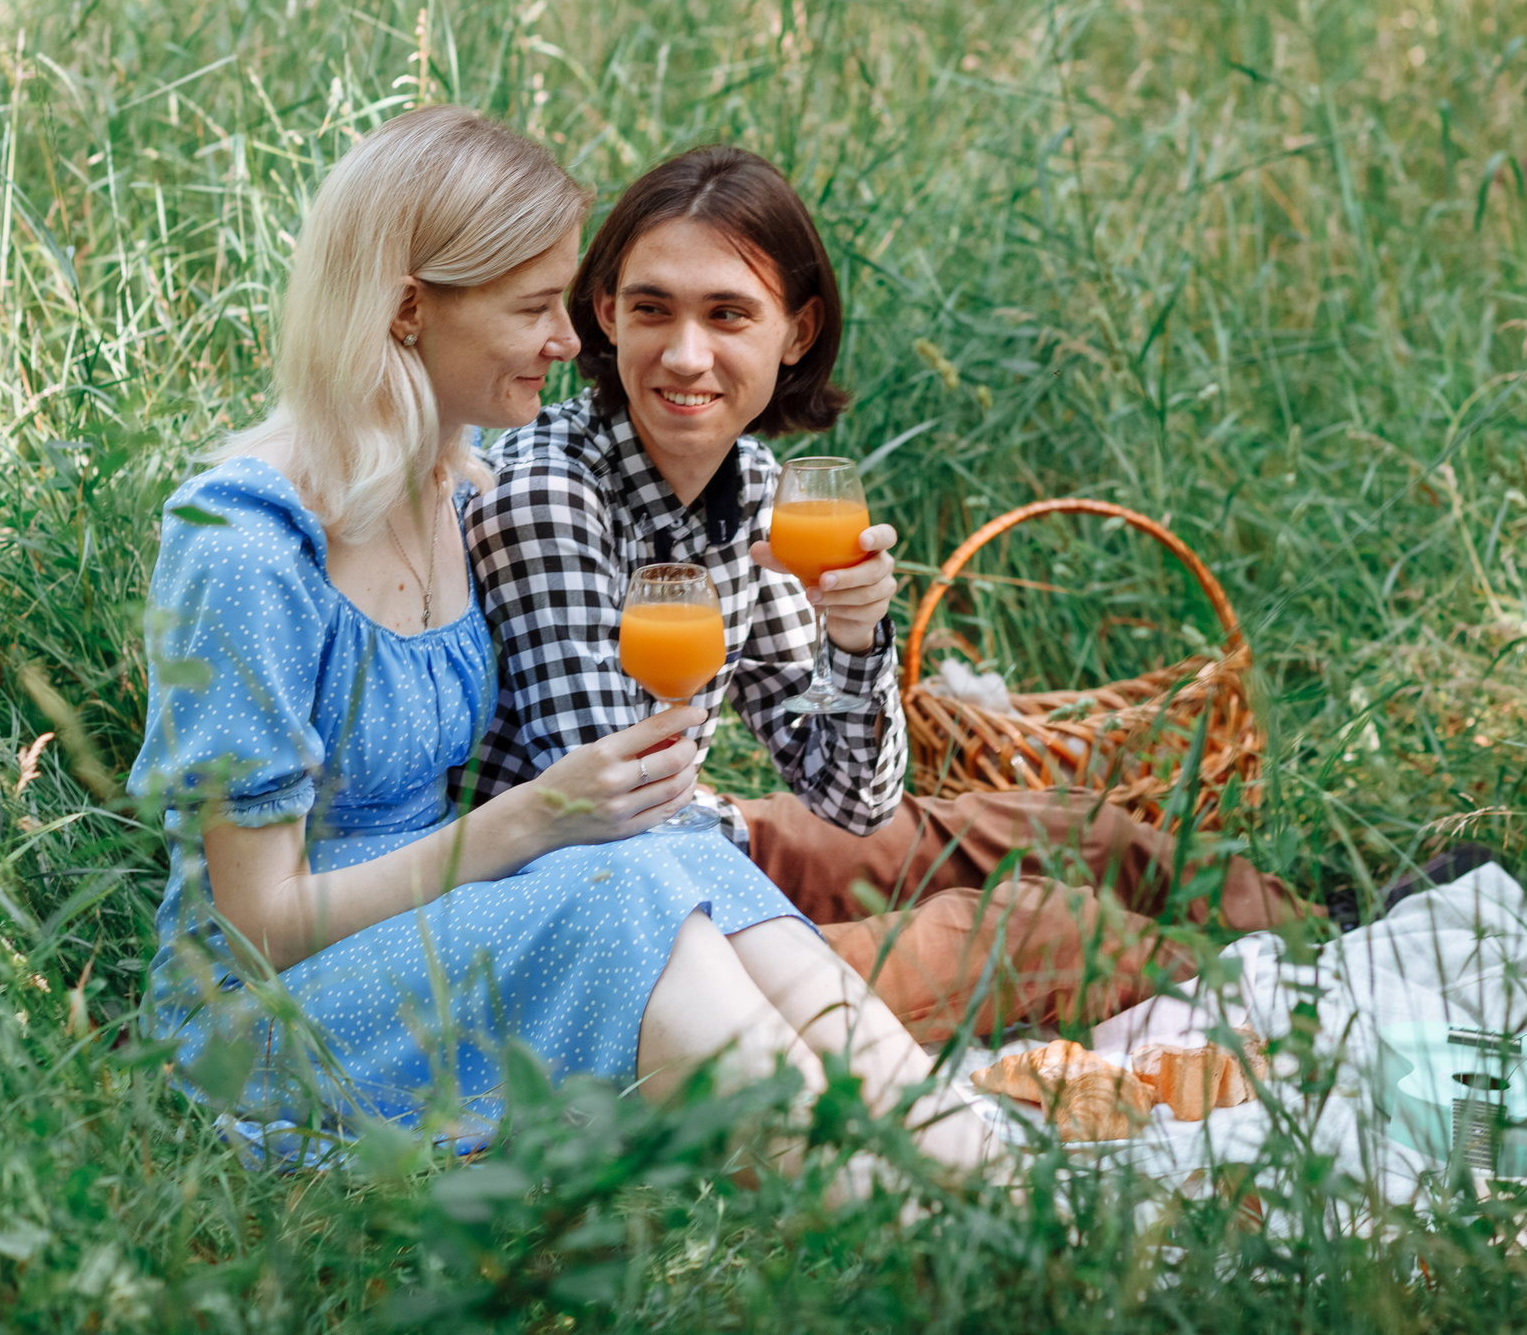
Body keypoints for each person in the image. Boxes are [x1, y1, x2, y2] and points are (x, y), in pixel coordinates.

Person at [126, 106, 996, 1175]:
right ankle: (902, 1210)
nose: (572, 342)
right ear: (408, 308)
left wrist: (847, 633)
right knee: (635, 879)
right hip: (268, 1011)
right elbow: (258, 924)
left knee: (673, 860)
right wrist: (532, 818)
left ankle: (981, 1177)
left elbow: (841, 796)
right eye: (536, 306)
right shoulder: (247, 543)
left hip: (433, 932)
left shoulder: (451, 491)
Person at [465, 145, 1311, 1045]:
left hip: (690, 841)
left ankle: (1321, 934)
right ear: (606, 313)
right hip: (594, 931)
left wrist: (855, 635)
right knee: (1035, 932)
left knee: (1073, 831)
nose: (685, 353)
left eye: (728, 314)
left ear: (796, 332)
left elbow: (852, 799)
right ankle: (1282, 999)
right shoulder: (549, 495)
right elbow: (614, 821)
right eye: (652, 309)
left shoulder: (754, 488)